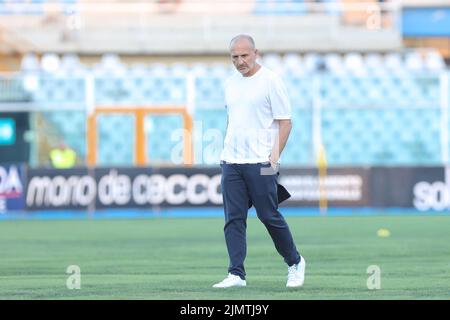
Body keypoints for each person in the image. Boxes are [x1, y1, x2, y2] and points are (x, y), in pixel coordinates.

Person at [213, 35, 305, 289]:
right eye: (235, 57)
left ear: (256, 53)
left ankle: (295, 262)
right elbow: (234, 120)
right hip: (231, 162)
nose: (240, 61)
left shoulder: (271, 81)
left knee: (268, 215)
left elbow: (285, 121)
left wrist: (273, 158)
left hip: (262, 163)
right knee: (233, 219)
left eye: (244, 55)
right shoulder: (230, 84)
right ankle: (236, 274)